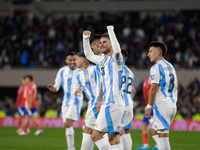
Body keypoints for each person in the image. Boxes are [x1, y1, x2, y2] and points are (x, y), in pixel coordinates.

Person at [83, 25, 124, 149]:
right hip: (111, 103)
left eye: (105, 42)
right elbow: (89, 56)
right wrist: (85, 38)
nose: (101, 44)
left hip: (112, 103)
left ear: (112, 44)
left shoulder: (116, 59)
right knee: (113, 138)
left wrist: (110, 30)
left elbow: (117, 49)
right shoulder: (103, 60)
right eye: (100, 42)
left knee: (95, 136)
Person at [145, 41, 178, 150]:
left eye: (150, 51)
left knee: (163, 136)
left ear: (158, 52)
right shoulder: (170, 66)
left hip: (162, 105)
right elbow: (177, 87)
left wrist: (148, 107)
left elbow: (153, 88)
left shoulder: (156, 67)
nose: (148, 54)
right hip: (171, 104)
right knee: (154, 130)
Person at [47, 52, 83, 150]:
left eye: (74, 60)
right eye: (70, 60)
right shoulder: (62, 71)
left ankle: (71, 148)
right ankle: (70, 147)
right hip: (65, 101)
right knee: (66, 126)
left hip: (76, 100)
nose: (72, 62)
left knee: (68, 123)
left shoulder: (80, 70)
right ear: (66, 61)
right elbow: (57, 86)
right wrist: (53, 88)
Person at [73, 51, 99, 150]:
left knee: (88, 130)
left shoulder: (94, 69)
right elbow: (75, 89)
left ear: (83, 60)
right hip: (91, 104)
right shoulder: (78, 75)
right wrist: (77, 91)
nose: (74, 62)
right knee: (92, 131)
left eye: (76, 59)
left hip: (99, 103)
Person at [136, 77, 158, 150]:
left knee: (149, 125)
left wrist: (149, 105)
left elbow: (152, 91)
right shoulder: (151, 79)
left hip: (152, 106)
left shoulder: (150, 79)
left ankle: (152, 145)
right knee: (146, 124)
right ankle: (152, 145)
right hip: (150, 106)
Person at [120, 49, 135, 150]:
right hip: (129, 104)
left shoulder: (115, 70)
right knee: (127, 131)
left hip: (119, 104)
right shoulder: (130, 73)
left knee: (118, 132)